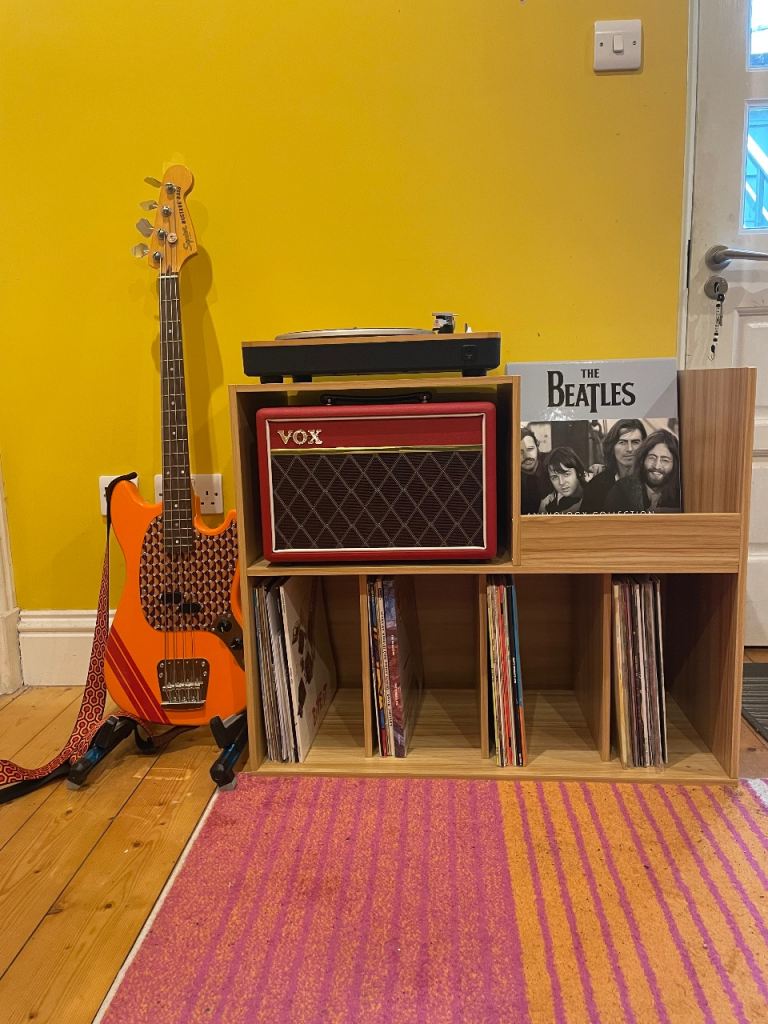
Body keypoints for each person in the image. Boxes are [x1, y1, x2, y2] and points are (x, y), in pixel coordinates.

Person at [604, 429, 681, 512]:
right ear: (643, 459)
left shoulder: (682, 495)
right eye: (652, 457)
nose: (657, 466)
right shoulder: (621, 491)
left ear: (675, 464)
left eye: (665, 460)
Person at [581, 419, 647, 513]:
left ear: (644, 446)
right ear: (612, 447)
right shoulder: (596, 486)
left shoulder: (652, 483)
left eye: (635, 442)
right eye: (622, 442)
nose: (629, 449)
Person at [538, 447, 587, 514]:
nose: (561, 482)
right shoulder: (547, 506)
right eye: (554, 477)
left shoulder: (596, 492)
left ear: (578, 472)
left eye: (566, 474)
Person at [520, 426, 552, 514]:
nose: (527, 456)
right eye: (520, 452)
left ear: (537, 445)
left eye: (530, 449)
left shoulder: (552, 461)